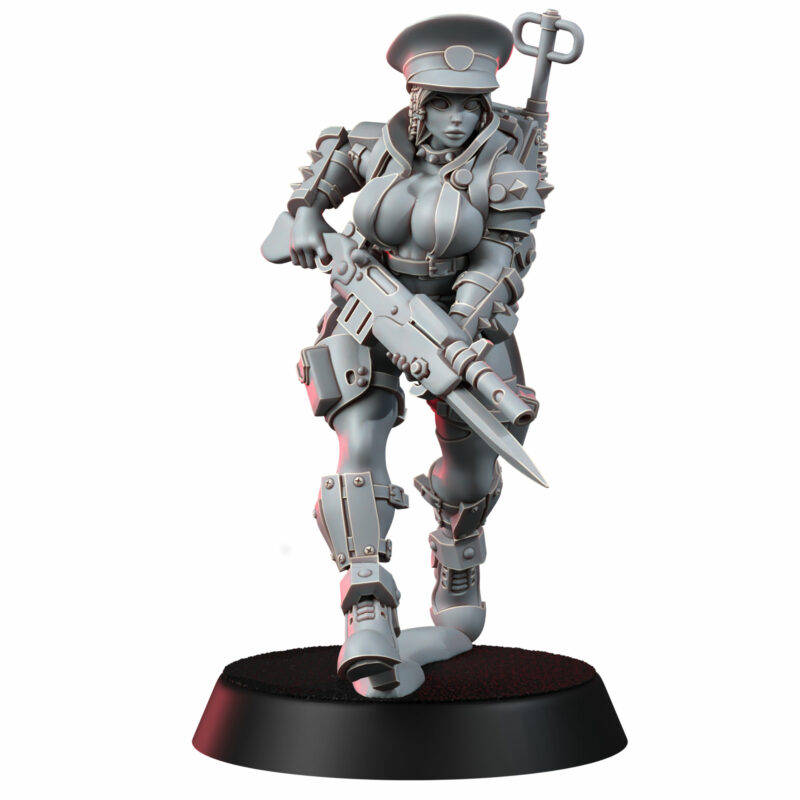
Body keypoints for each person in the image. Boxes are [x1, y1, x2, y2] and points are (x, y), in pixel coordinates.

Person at [261, 14, 547, 697]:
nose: (457, 119)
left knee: (472, 468)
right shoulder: (373, 145)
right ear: (418, 104)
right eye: (442, 104)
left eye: (469, 105)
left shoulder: (504, 170)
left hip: (459, 326)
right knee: (358, 448)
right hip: (365, 308)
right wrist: (308, 218)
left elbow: (502, 260)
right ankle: (365, 601)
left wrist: (456, 332)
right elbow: (314, 189)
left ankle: (458, 553)